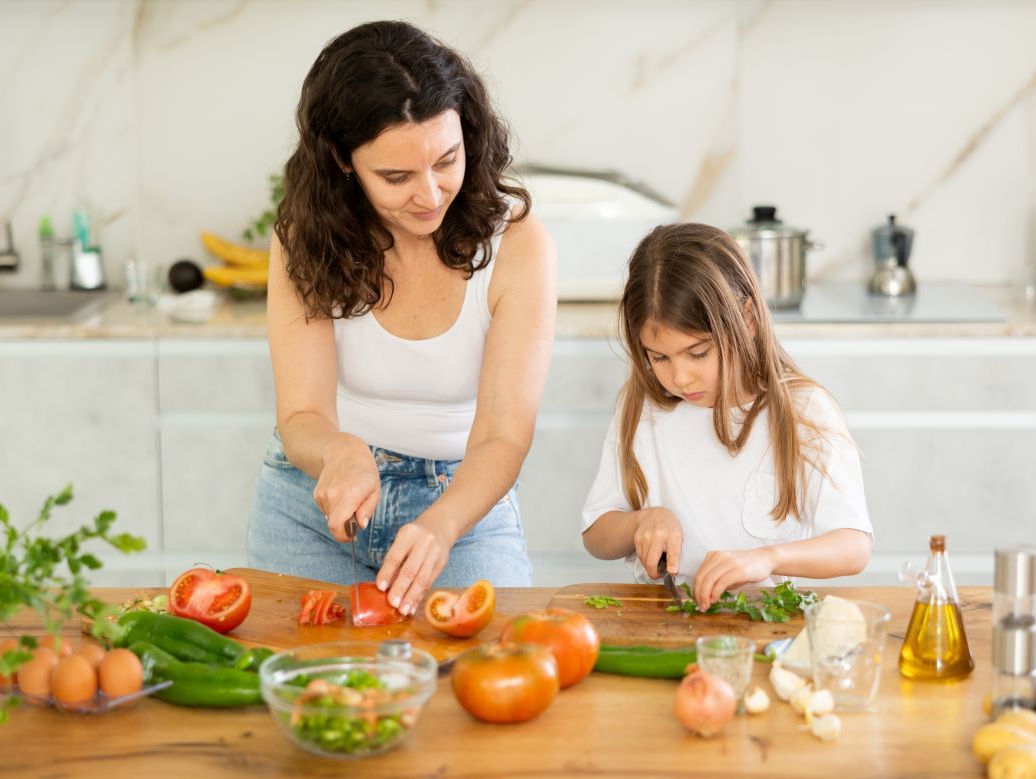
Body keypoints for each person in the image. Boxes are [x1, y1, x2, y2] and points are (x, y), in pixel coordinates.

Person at [247, 20, 557, 617]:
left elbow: (502, 434)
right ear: (342, 159)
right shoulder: (304, 239)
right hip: (313, 505)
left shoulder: (518, 245)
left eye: (447, 160)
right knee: (302, 679)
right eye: (396, 177)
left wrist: (441, 527)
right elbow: (303, 413)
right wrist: (339, 453)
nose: (430, 194)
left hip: (463, 508)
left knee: (479, 676)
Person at [581, 223, 871, 611]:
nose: (680, 377)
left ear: (747, 318)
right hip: (665, 618)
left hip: (767, 619)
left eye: (698, 353)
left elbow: (853, 547)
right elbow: (596, 535)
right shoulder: (642, 409)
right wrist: (640, 522)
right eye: (659, 357)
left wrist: (768, 558)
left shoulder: (803, 409)